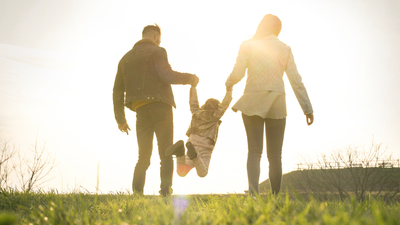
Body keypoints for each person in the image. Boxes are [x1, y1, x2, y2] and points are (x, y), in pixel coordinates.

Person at [225, 14, 314, 196]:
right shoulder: (285, 48)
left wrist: (229, 83)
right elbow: (296, 80)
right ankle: (275, 197)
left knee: (254, 151)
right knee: (275, 156)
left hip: (252, 100)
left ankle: (253, 195)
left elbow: (238, 73)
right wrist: (307, 108)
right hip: (277, 102)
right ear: (278, 30)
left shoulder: (248, 45)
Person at [112, 24, 199, 196]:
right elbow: (167, 75)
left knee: (143, 156)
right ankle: (165, 192)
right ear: (155, 36)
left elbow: (117, 90)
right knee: (166, 152)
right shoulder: (158, 51)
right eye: (159, 38)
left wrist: (120, 119)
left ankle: (137, 194)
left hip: (141, 111)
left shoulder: (125, 59)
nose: (159, 42)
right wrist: (190, 78)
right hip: (161, 107)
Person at [165, 84, 232, 178]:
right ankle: (194, 156)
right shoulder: (215, 116)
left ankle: (180, 152)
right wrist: (229, 91)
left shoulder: (196, 112)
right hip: (205, 149)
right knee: (202, 173)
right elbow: (224, 105)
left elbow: (193, 102)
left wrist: (193, 87)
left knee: (181, 172)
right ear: (217, 108)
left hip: (191, 145)